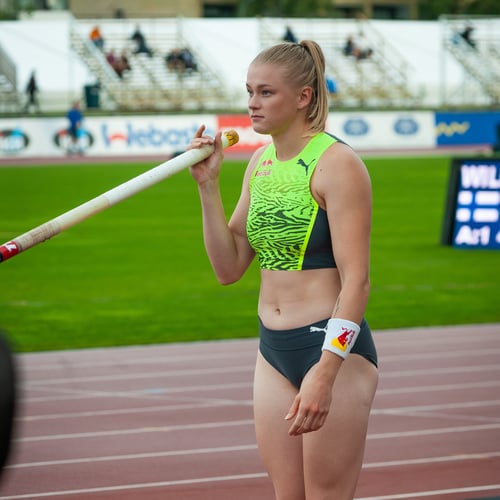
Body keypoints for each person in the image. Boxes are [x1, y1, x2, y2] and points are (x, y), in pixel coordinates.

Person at [188, 40, 378, 499]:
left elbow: (357, 282)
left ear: (303, 97)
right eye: (249, 91)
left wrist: (326, 371)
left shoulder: (338, 164)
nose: (252, 103)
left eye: (266, 92)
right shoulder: (261, 162)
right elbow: (229, 266)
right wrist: (208, 187)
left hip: (330, 350)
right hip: (272, 351)